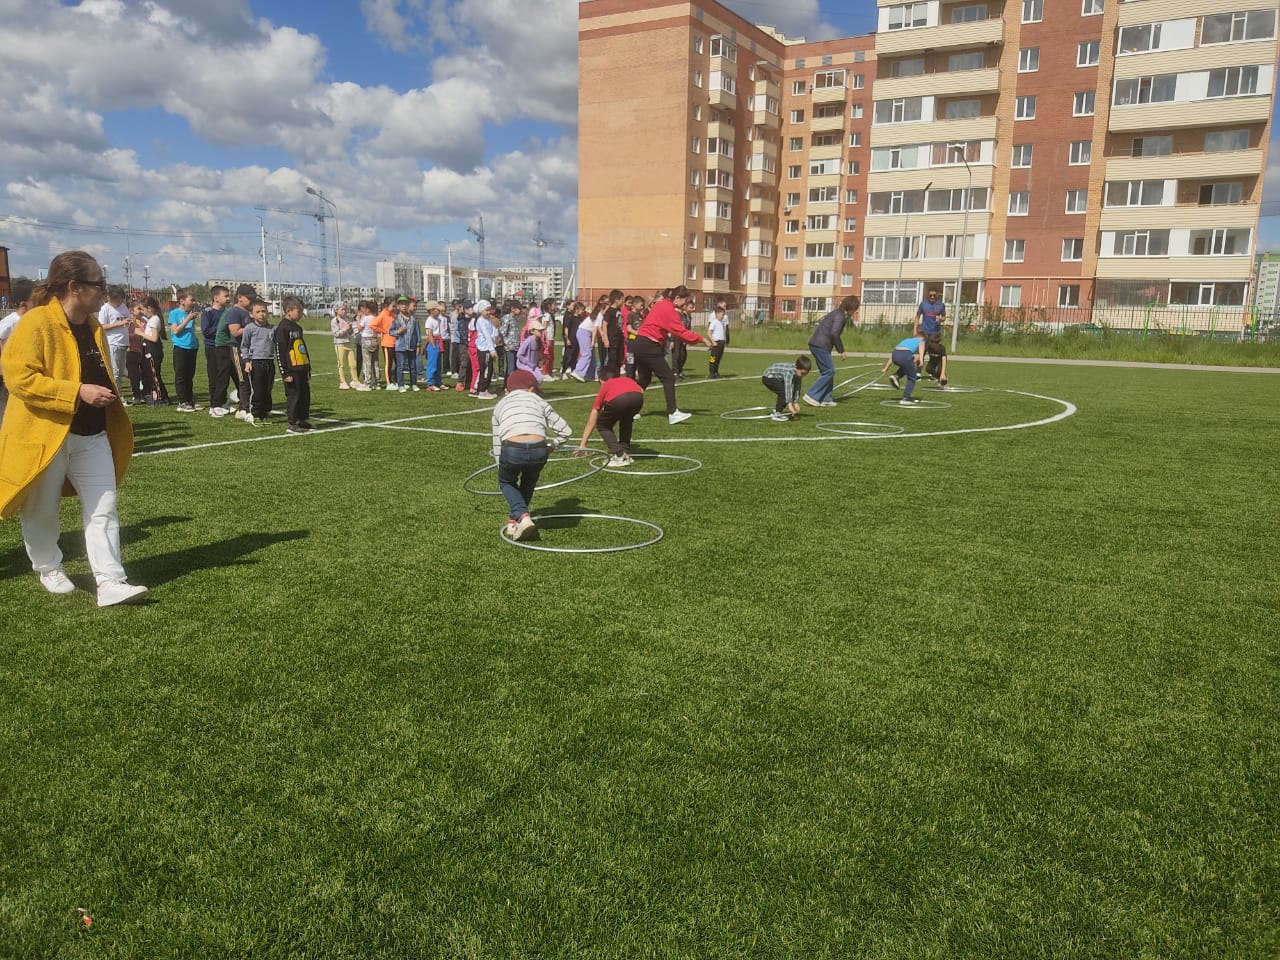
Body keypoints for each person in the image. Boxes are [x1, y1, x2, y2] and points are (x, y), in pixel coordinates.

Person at [0, 250, 147, 605]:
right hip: (46, 435)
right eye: (99, 284)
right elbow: (18, 378)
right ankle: (48, 566)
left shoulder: (93, 326)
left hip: (93, 435)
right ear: (74, 286)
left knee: (104, 506)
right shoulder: (37, 323)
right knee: (42, 509)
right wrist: (76, 392)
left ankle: (110, 581)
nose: (104, 290)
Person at [490, 368, 572, 541]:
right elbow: (565, 431)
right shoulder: (538, 401)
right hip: (539, 449)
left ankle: (522, 517)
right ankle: (515, 521)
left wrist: (500, 464)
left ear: (507, 390)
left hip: (512, 448)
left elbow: (497, 442)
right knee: (529, 481)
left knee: (506, 481)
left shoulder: (500, 404)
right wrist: (552, 446)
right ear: (532, 389)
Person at [632, 285, 711, 424]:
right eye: (685, 301)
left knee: (644, 380)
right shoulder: (670, 311)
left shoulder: (660, 305)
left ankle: (631, 410)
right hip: (649, 345)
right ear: (677, 298)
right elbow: (681, 332)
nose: (685, 304)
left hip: (640, 343)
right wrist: (702, 339)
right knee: (668, 377)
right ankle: (673, 413)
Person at [575, 365, 644, 466]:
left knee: (602, 425)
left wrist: (583, 444)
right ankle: (624, 452)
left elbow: (593, 419)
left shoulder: (606, 385)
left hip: (619, 400)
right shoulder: (627, 379)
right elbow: (641, 390)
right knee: (626, 420)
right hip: (638, 398)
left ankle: (620, 455)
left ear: (601, 380)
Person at [804, 295, 858, 408]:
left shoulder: (837, 313)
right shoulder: (840, 316)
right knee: (829, 371)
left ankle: (826, 399)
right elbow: (834, 333)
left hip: (818, 344)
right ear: (851, 308)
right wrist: (841, 350)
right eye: (855, 309)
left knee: (827, 372)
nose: (855, 312)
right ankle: (812, 395)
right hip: (820, 345)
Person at [274, 296, 313, 432]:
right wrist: (285, 372)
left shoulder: (298, 328)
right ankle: (292, 422)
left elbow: (302, 348)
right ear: (288, 311)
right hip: (291, 370)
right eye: (299, 311)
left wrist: (308, 367)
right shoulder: (282, 329)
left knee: (304, 396)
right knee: (293, 396)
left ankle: (302, 419)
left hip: (302, 368)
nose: (301, 314)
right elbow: (279, 351)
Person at [0, 279, 36, 421]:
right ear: (23, 304)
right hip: (9, 368)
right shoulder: (11, 320)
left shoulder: (30, 319)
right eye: (34, 301)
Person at [239, 299, 275, 425]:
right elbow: (244, 346)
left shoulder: (273, 329)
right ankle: (254, 412)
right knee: (257, 390)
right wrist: (247, 361)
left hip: (269, 362)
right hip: (256, 362)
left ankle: (264, 412)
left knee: (267, 389)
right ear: (251, 314)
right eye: (258, 312)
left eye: (264, 311)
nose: (261, 314)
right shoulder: (249, 328)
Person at [97, 286, 132, 404]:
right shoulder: (105, 309)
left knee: (121, 371)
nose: (120, 301)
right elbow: (101, 326)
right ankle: (117, 397)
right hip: (113, 343)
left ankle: (117, 394)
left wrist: (129, 322)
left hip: (123, 342)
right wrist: (119, 323)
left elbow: (128, 319)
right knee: (115, 372)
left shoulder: (123, 307)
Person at [167, 289, 201, 411]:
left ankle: (189, 400)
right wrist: (188, 319)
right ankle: (182, 402)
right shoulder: (174, 313)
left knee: (189, 376)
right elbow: (176, 331)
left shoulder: (190, 313)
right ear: (182, 301)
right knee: (181, 376)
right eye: (191, 300)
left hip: (192, 347)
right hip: (180, 348)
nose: (194, 302)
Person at [200, 285, 230, 414]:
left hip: (225, 347)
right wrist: (222, 328)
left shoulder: (227, 312)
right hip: (212, 347)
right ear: (216, 298)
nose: (228, 298)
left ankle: (223, 402)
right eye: (226, 296)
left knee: (224, 375)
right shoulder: (208, 312)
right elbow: (206, 331)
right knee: (214, 375)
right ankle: (214, 404)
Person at [138, 296, 170, 406]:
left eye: (143, 309)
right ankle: (160, 396)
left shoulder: (154, 320)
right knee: (152, 374)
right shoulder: (152, 319)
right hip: (150, 348)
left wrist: (140, 333)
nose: (142, 312)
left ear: (149, 308)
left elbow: (154, 338)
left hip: (153, 349)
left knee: (154, 375)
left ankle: (161, 398)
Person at [914, 289, 949, 386]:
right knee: (921, 351)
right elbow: (917, 316)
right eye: (930, 295)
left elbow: (944, 317)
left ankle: (932, 372)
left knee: (934, 352)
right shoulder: (923, 304)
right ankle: (918, 372)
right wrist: (915, 329)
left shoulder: (941, 305)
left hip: (935, 333)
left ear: (937, 296)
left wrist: (941, 319)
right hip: (925, 332)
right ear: (928, 295)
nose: (932, 297)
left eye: (934, 295)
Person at [762, 356, 811, 421]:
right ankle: (777, 414)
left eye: (805, 374)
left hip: (778, 379)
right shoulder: (789, 372)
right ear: (797, 368)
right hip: (768, 377)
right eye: (802, 373)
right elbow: (788, 388)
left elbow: (797, 388)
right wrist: (790, 404)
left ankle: (777, 410)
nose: (803, 375)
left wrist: (795, 402)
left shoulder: (798, 373)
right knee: (784, 392)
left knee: (787, 392)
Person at [885, 334, 925, 403]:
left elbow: (892, 356)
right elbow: (921, 349)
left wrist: (886, 367)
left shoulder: (906, 340)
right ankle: (906, 398)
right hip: (905, 355)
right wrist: (921, 361)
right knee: (912, 378)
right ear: (923, 338)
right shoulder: (921, 341)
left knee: (906, 366)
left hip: (895, 355)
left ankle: (896, 376)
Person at [473, 299, 499, 399]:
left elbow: (493, 329)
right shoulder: (481, 321)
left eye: (489, 310)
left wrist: (496, 335)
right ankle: (482, 390)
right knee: (486, 370)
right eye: (486, 310)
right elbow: (487, 335)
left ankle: (484, 388)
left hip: (489, 347)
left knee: (489, 369)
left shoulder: (488, 320)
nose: (488, 312)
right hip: (484, 349)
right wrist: (492, 350)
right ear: (481, 311)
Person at [330, 304, 359, 389]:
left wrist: (350, 328)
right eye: (342, 309)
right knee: (341, 364)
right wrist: (344, 329)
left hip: (348, 343)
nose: (344, 311)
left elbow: (350, 333)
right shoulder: (334, 321)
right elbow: (336, 334)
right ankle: (342, 382)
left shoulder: (346, 320)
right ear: (336, 310)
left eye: (345, 309)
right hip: (340, 344)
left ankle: (355, 381)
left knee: (353, 364)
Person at [515, 317, 547, 383]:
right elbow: (519, 354)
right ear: (532, 331)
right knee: (534, 378)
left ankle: (533, 388)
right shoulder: (528, 341)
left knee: (540, 378)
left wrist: (541, 357)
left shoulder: (538, 341)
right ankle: (529, 388)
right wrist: (528, 363)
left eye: (541, 330)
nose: (541, 332)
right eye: (539, 330)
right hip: (524, 365)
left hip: (533, 365)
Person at [706, 302, 728, 379]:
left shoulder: (721, 322)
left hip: (721, 342)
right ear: (717, 314)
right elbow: (709, 333)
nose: (723, 316)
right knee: (713, 358)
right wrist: (713, 342)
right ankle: (711, 372)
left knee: (718, 358)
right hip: (716, 342)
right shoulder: (714, 322)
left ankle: (716, 372)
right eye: (722, 314)